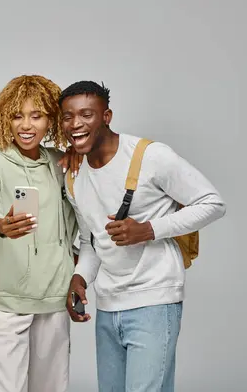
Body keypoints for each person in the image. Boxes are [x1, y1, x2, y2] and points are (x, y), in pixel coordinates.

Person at [61, 80, 227, 392]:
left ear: (106, 116)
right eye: (68, 117)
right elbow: (91, 242)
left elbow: (213, 203)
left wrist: (149, 229)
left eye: (86, 115)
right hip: (108, 307)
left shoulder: (150, 156)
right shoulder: (74, 174)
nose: (76, 124)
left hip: (154, 300)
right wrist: (80, 277)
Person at [0, 75, 79, 392]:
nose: (26, 125)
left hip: (53, 296)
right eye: (17, 115)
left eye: (37, 115)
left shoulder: (58, 162)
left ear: (51, 119)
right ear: (6, 116)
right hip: (6, 300)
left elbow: (77, 216)